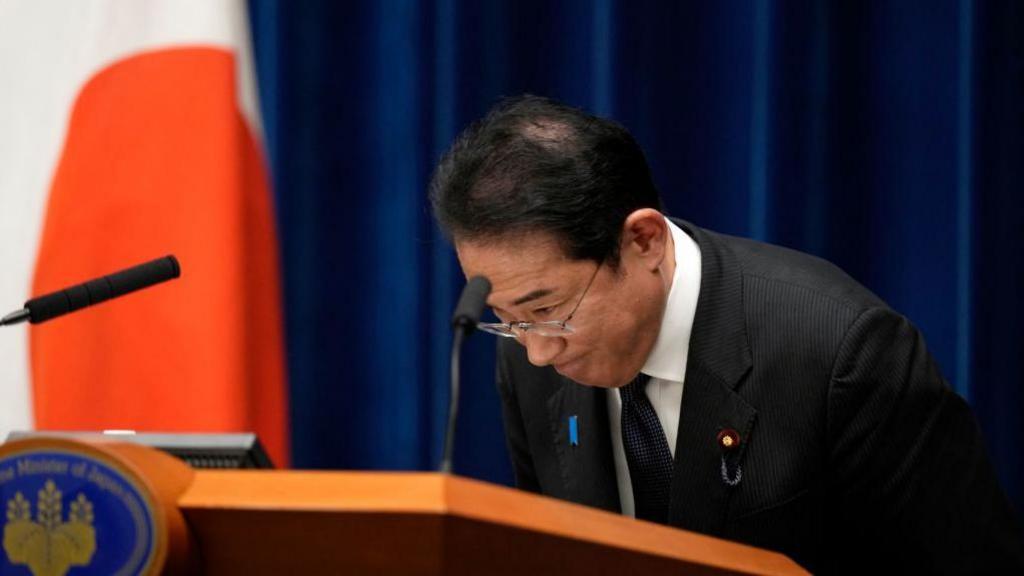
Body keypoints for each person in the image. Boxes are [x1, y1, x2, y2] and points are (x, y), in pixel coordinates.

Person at [429, 95, 1023, 574]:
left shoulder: (842, 351)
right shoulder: (531, 351)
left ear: (643, 241)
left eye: (549, 309)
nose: (536, 350)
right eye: (510, 320)